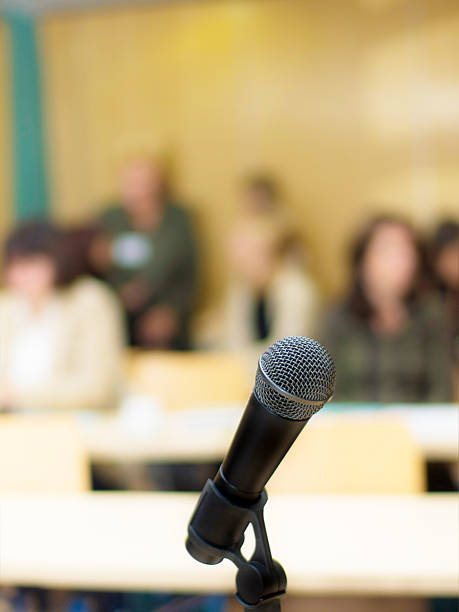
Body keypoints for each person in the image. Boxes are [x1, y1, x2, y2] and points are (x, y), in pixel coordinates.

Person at [321, 215, 453, 403]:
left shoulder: (431, 315)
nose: (401, 261)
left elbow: (441, 391)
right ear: (363, 259)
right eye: (388, 251)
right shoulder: (336, 318)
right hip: (353, 425)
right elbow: (325, 391)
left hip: (416, 427)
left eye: (407, 251)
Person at [0, 221, 124, 412]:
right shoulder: (7, 306)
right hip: (12, 425)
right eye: (14, 265)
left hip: (70, 424)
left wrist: (17, 394)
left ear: (56, 261)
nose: (20, 275)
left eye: (30, 264)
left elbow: (98, 389)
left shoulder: (88, 301)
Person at [90, 156, 197, 349]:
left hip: (166, 311)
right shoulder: (109, 220)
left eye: (144, 183)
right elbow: (95, 268)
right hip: (119, 311)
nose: (138, 190)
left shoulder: (178, 220)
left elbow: (191, 274)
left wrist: (171, 310)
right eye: (131, 183)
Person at [220, 174, 318, 350]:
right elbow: (234, 345)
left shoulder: (296, 290)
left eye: (245, 257)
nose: (239, 265)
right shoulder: (242, 290)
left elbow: (286, 354)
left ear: (265, 253)